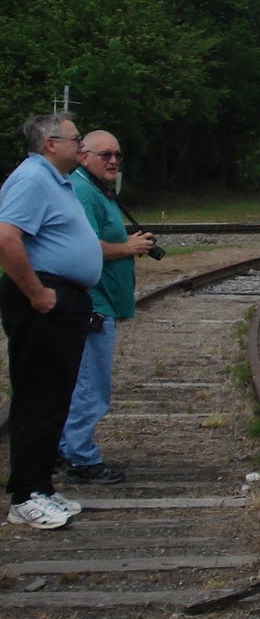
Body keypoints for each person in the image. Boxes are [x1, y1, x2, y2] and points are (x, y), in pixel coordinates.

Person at [0, 113, 102, 529]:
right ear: (49, 143)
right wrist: (37, 294)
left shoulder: (53, 180)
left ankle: (42, 486)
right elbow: (7, 237)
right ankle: (25, 496)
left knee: (55, 396)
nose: (82, 146)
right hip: (43, 297)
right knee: (38, 395)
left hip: (64, 298)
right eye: (76, 139)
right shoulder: (31, 179)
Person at [59, 130, 153, 484]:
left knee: (80, 380)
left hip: (99, 301)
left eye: (116, 154)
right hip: (92, 304)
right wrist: (127, 248)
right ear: (83, 156)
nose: (113, 161)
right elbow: (83, 246)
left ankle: (67, 447)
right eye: (104, 155)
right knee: (90, 384)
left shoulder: (94, 188)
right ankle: (79, 456)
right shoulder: (83, 191)